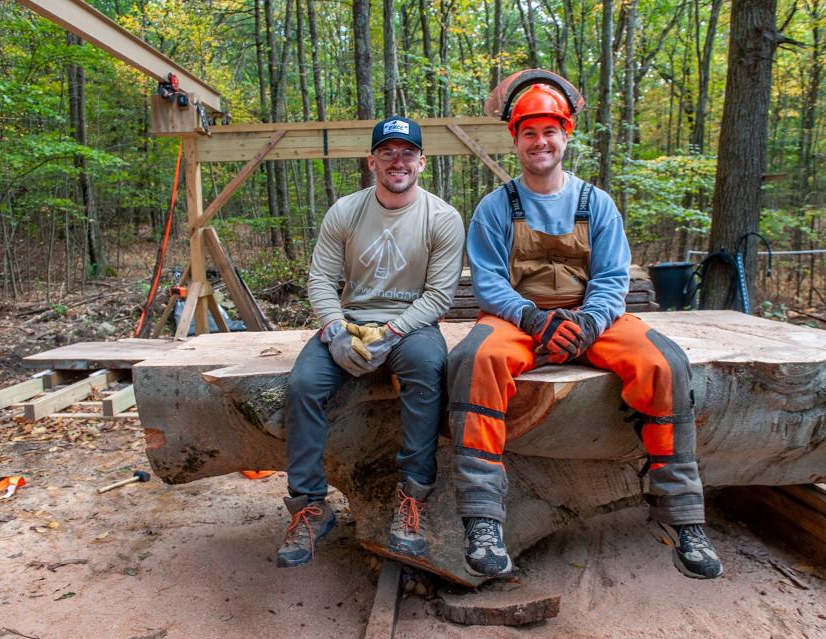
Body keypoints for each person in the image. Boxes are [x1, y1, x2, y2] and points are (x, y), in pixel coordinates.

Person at [447, 78, 722, 580]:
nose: (540, 143)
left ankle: (682, 516)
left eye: (550, 131)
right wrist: (533, 318)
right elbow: (488, 283)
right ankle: (482, 519)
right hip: (519, 318)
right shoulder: (494, 207)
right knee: (474, 360)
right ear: (515, 140)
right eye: (529, 133)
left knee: (664, 363)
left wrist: (589, 323)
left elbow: (614, 278)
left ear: (566, 135)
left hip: (593, 317)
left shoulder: (596, 204)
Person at [277, 116, 465, 567]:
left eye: (406, 153)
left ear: (422, 161)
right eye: (387, 152)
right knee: (302, 386)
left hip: (411, 326)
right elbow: (321, 277)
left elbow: (439, 295)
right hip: (350, 320)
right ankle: (308, 506)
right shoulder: (345, 211)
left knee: (428, 371)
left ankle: (412, 498)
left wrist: (394, 332)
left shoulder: (443, 217)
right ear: (372, 161)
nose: (396, 161)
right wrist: (336, 328)